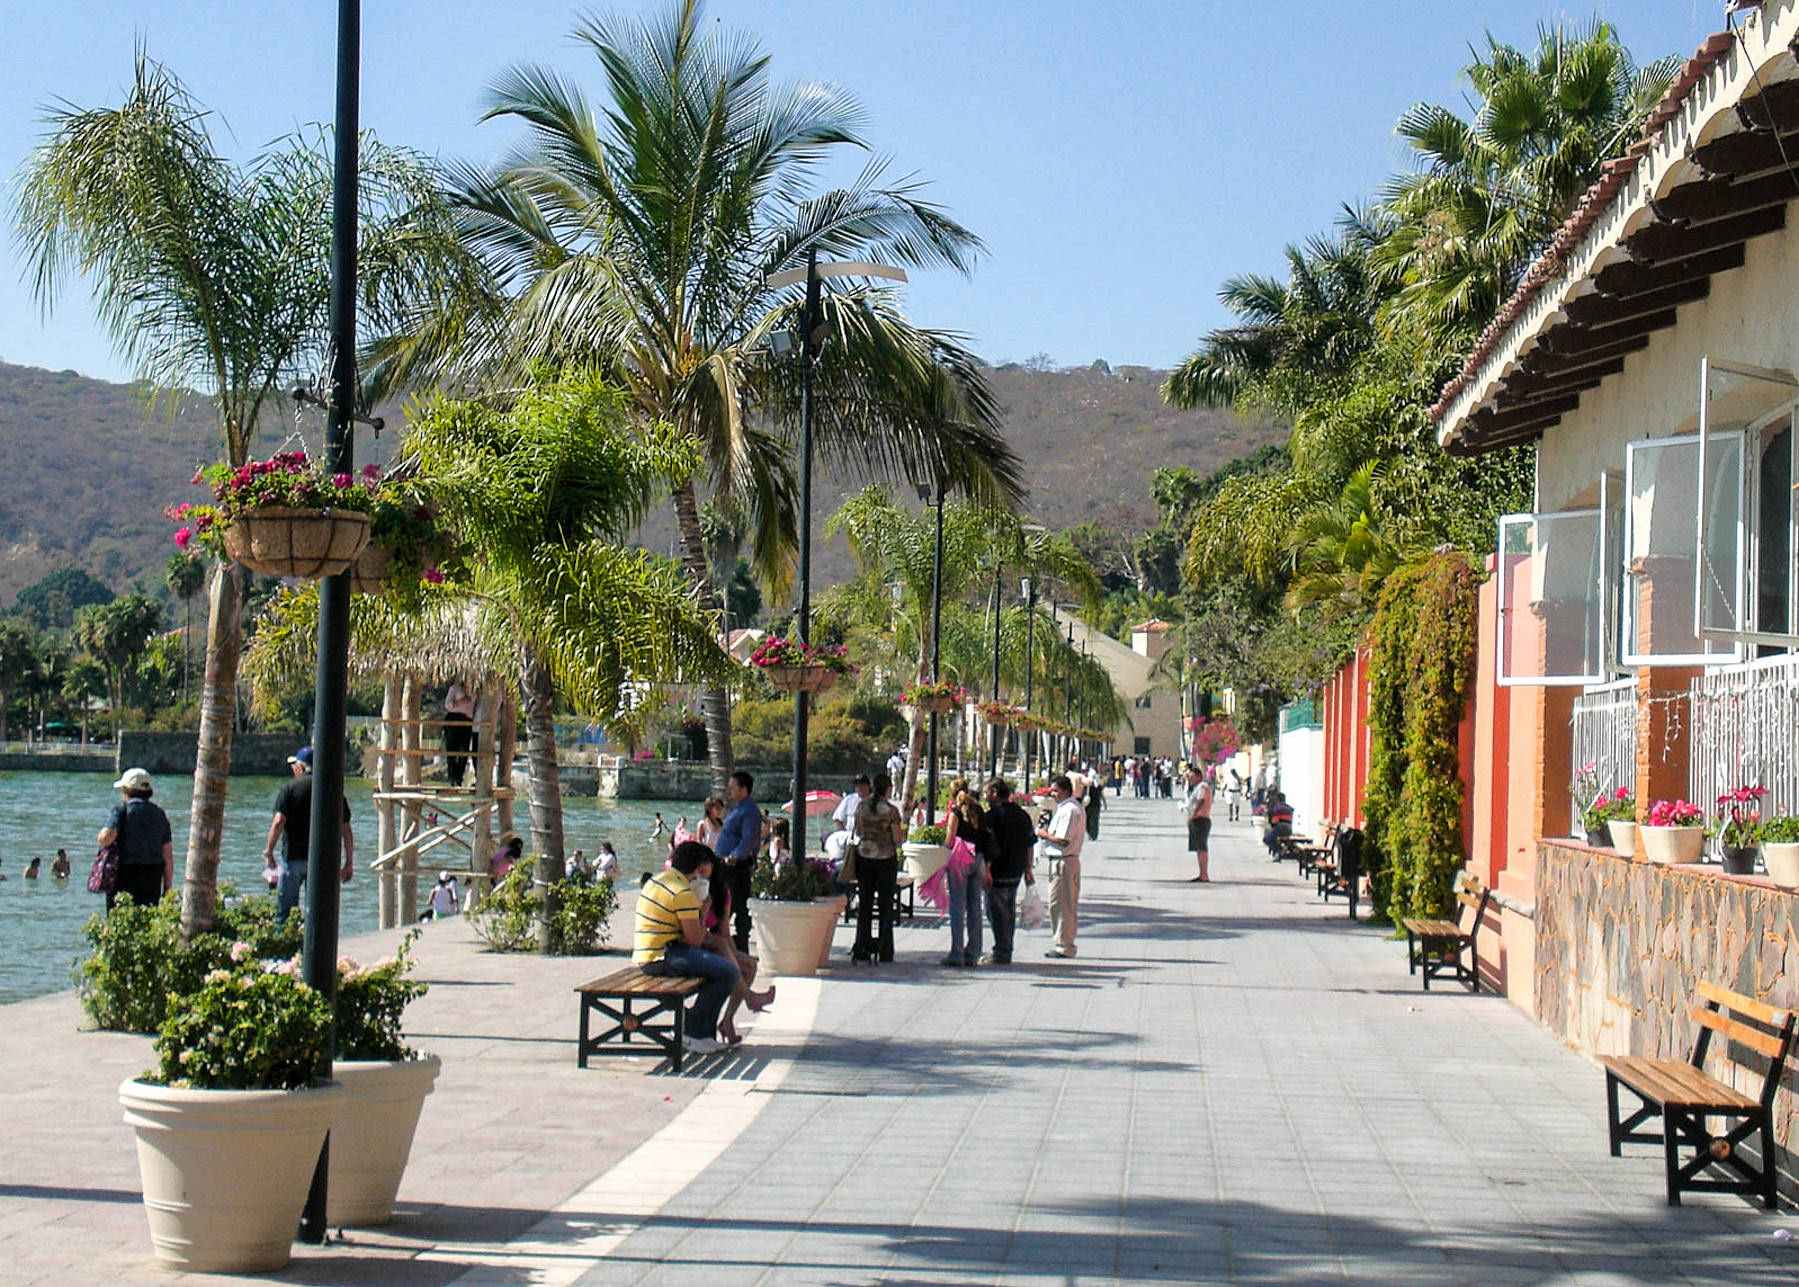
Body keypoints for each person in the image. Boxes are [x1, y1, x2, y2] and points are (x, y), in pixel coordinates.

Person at [635, 841, 738, 1054]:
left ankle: (703, 1033)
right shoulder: (683, 892)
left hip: (647, 956)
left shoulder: (657, 880)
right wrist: (704, 909)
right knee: (728, 972)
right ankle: (693, 1032)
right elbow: (695, 941)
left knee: (716, 969)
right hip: (664, 957)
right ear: (698, 868)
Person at [262, 747, 353, 922]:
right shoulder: (332, 790)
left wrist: (269, 851)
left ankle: (287, 946)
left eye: (294, 765)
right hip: (322, 863)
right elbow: (346, 830)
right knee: (319, 917)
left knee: (286, 915)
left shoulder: (289, 788)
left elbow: (278, 821)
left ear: (301, 767)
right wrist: (348, 862)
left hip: (293, 859)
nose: (292, 769)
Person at [700, 862, 776, 1044]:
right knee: (738, 964)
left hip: (713, 945)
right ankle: (750, 998)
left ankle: (727, 1021)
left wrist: (735, 958)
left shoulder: (723, 894)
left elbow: (724, 932)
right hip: (696, 945)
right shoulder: (697, 892)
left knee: (749, 965)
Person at [99, 767, 174, 912]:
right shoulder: (160, 814)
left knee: (120, 923)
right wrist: (167, 888)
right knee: (147, 925)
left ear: (127, 791)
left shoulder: (121, 810)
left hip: (123, 876)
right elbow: (168, 856)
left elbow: (106, 838)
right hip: (152, 878)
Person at [851, 773, 905, 963]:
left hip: (864, 858)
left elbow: (857, 831)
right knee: (885, 906)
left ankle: (862, 947)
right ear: (888, 789)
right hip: (885, 859)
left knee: (864, 905)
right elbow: (898, 839)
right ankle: (884, 950)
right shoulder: (891, 811)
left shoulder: (861, 807)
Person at [981, 780, 1034, 965]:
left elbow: (986, 845)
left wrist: (986, 869)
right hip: (1015, 871)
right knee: (1008, 910)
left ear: (995, 792)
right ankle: (1005, 948)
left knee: (994, 911)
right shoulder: (1022, 815)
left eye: (987, 792)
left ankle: (1002, 951)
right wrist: (1028, 869)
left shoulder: (990, 817)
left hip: (996, 871)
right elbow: (1030, 843)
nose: (986, 796)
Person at [1035, 774, 1087, 959]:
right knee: (1059, 904)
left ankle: (1064, 945)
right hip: (1062, 861)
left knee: (1062, 904)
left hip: (1064, 862)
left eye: (1055, 790)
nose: (1053, 794)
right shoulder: (1067, 808)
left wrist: (1044, 834)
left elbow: (1064, 840)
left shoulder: (1070, 810)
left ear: (1065, 790)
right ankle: (1063, 942)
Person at [714, 771, 763, 952]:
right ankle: (727, 941)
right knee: (730, 904)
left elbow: (748, 839)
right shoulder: (738, 808)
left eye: (733, 787)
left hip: (735, 867)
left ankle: (739, 944)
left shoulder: (749, 811)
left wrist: (734, 856)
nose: (729, 791)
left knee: (736, 905)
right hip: (726, 865)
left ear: (743, 789)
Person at [940, 788, 988, 967]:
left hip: (961, 859)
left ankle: (957, 952)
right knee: (975, 906)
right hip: (978, 859)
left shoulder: (955, 813)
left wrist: (942, 853)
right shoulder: (979, 812)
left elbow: (949, 839)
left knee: (957, 906)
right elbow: (985, 836)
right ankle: (974, 952)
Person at [442, 681, 478, 787]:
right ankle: (452, 777)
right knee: (452, 749)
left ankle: (459, 777)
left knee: (464, 750)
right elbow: (447, 705)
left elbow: (473, 707)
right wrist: (460, 703)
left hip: (467, 721)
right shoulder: (455, 688)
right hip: (453, 719)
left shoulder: (475, 691)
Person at [1185, 764, 1215, 883]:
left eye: (1192, 777)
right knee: (1199, 848)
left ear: (1198, 776)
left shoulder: (1203, 786)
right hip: (1197, 819)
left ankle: (1204, 874)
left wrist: (1193, 814)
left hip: (1201, 819)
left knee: (1202, 848)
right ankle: (1201, 873)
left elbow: (1200, 801)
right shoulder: (1198, 787)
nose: (1190, 780)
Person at [831, 774, 872, 839]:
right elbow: (837, 819)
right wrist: (845, 835)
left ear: (868, 786)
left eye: (862, 785)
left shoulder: (875, 800)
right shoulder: (849, 799)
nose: (859, 787)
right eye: (857, 785)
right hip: (851, 837)